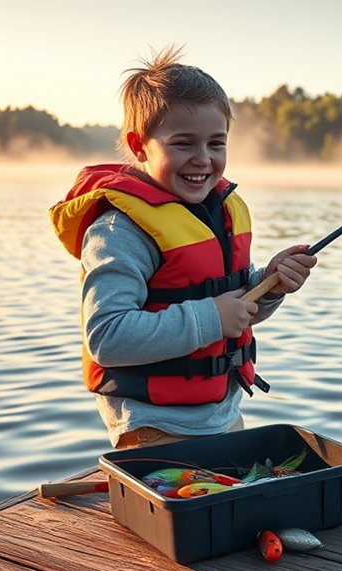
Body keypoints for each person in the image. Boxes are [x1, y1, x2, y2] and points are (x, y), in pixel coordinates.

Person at [49, 46, 316, 449]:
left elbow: (233, 310)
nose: (203, 159)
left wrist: (270, 286)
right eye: (183, 144)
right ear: (140, 146)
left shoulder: (216, 212)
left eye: (216, 144)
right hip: (154, 426)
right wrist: (212, 317)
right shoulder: (120, 230)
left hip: (221, 413)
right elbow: (107, 337)